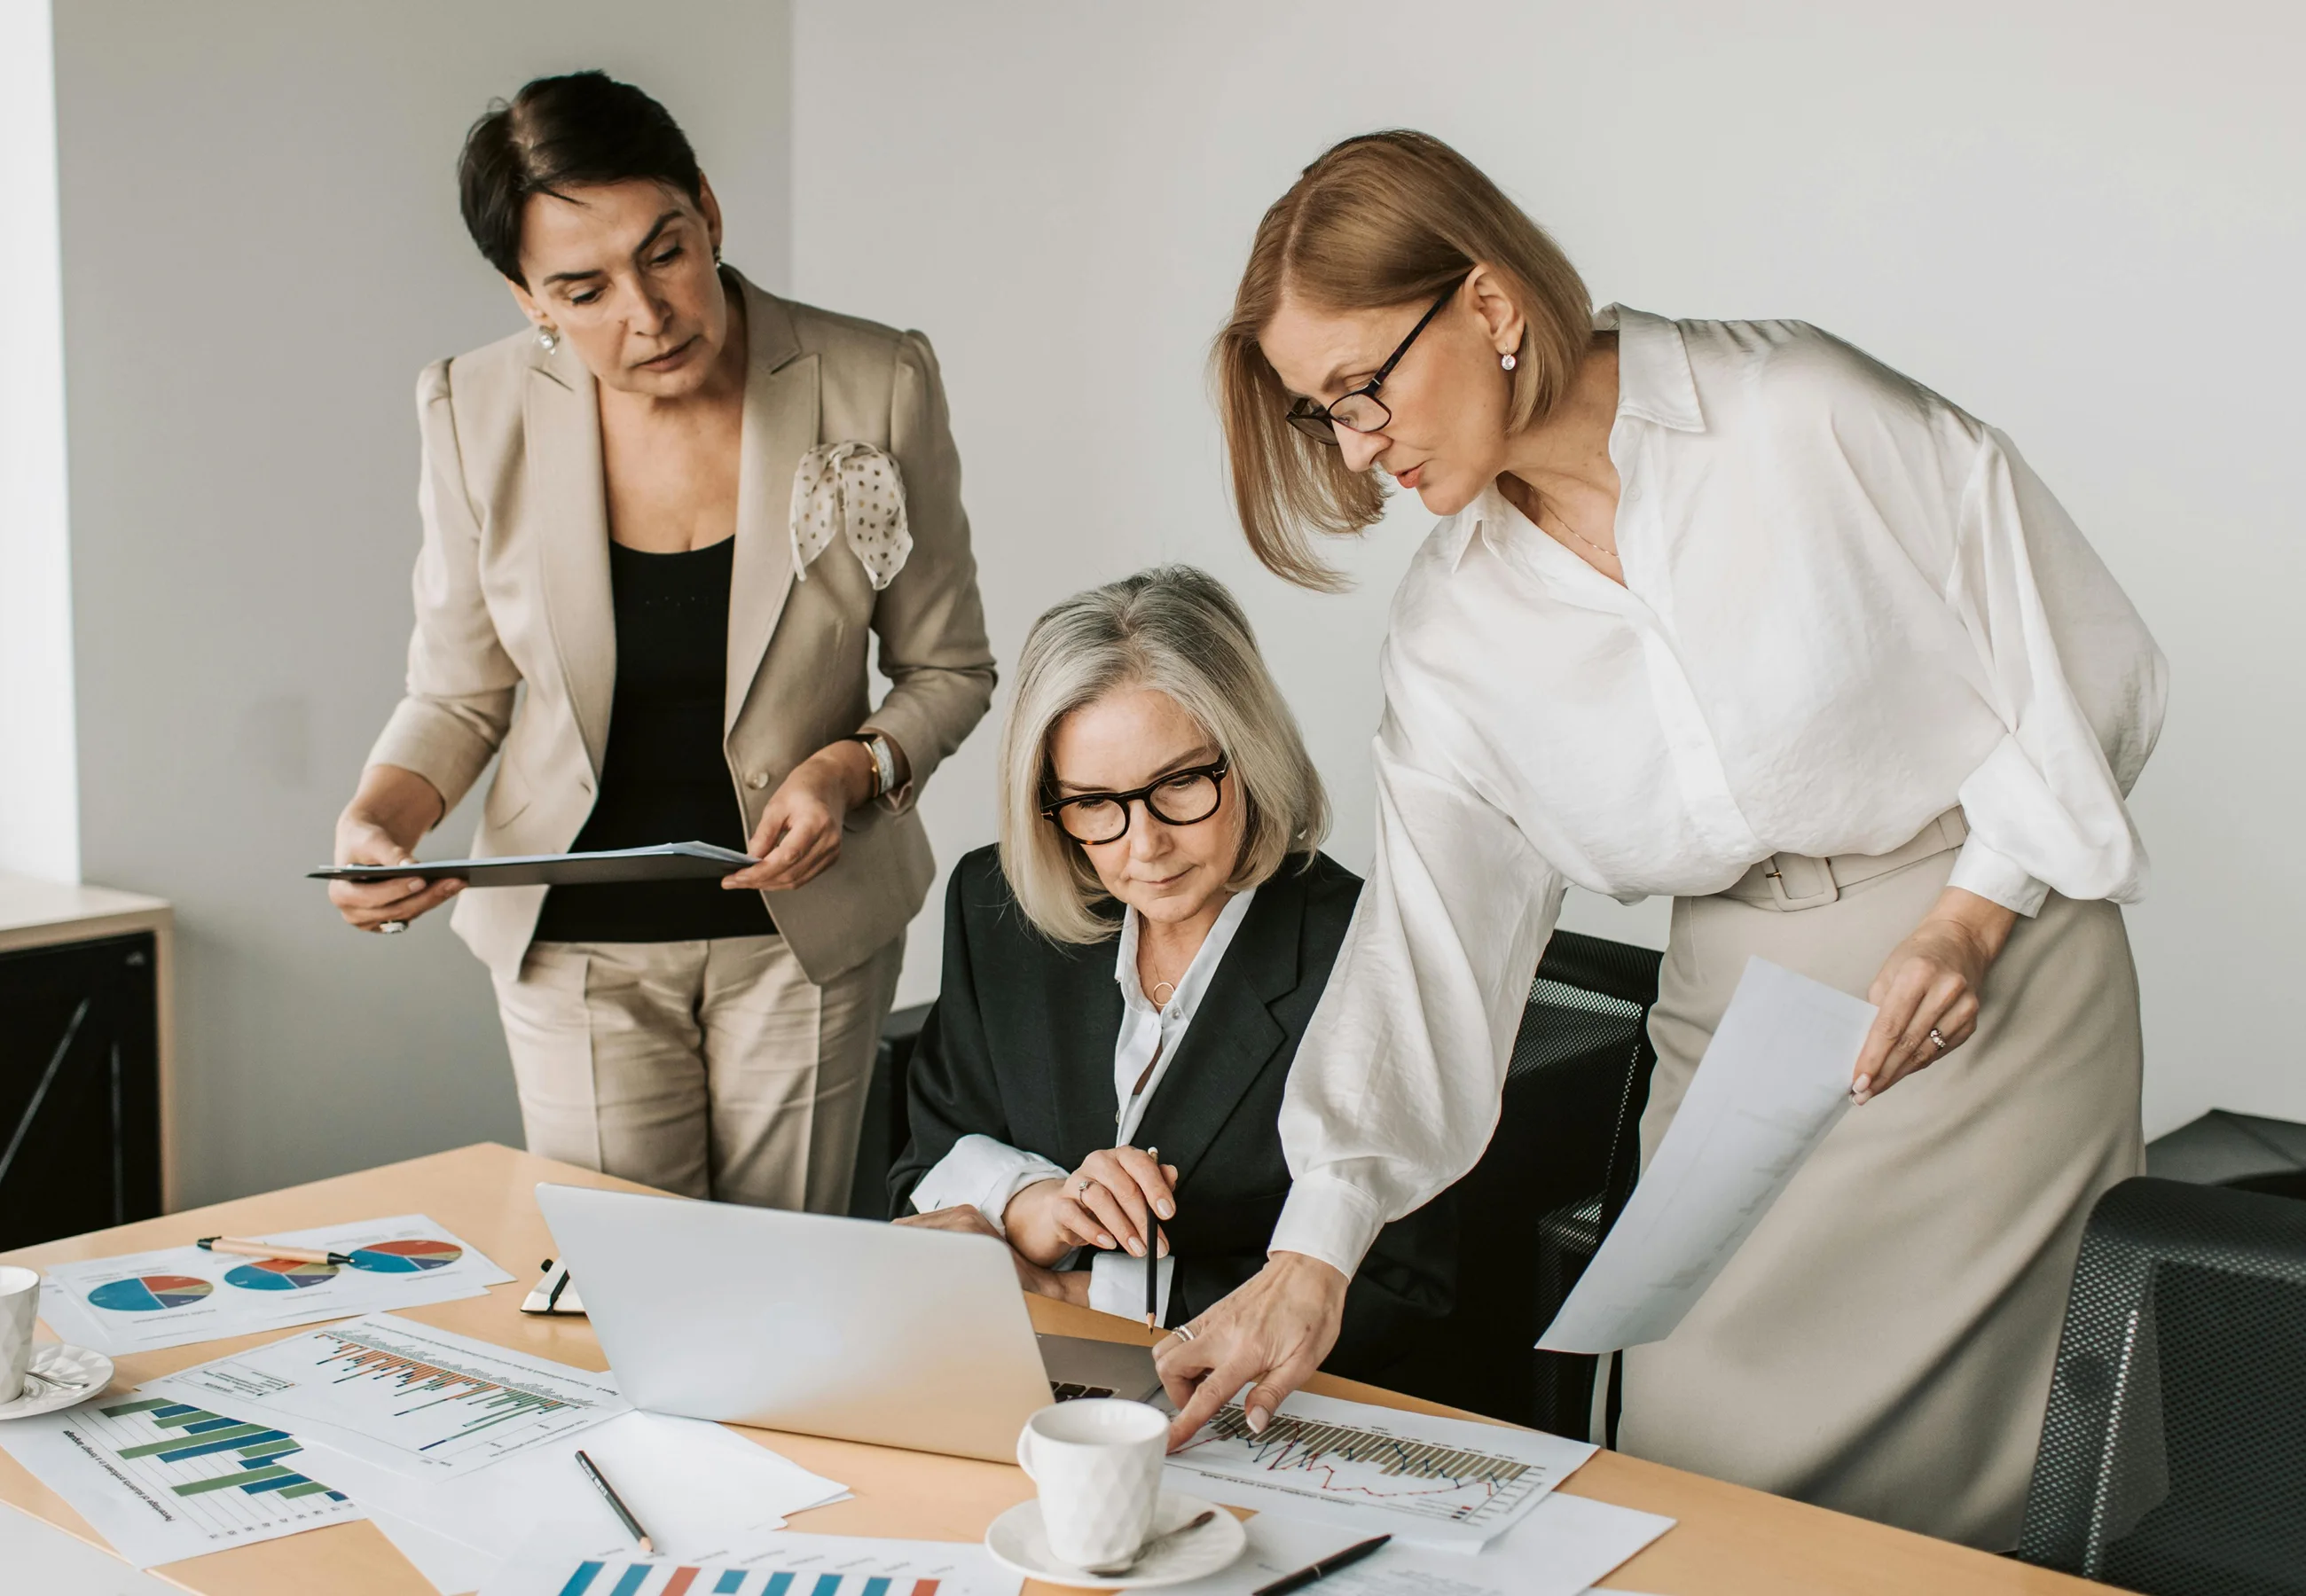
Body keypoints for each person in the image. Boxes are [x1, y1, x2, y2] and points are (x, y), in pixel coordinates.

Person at [1158, 130, 2165, 1550]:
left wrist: (1975, 910)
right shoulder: (1456, 632)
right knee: (1696, 1461)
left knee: (2007, 1493)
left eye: (1360, 392)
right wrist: (1312, 1255)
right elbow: (1430, 948)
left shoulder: (1798, 409)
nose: (1357, 449)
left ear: (1492, 308)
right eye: (1325, 416)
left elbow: (2086, 655)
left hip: (1994, 998)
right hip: (1746, 1025)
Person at [327, 72, 993, 1214]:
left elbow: (948, 669)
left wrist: (850, 768)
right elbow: (459, 689)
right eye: (582, 290)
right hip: (571, 948)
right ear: (526, 295)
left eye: (665, 253)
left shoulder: (876, 380)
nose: (648, 313)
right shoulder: (469, 407)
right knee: (623, 1299)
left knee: (789, 1289)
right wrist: (383, 817)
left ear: (708, 210)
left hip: (803, 932)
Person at [890, 567, 1451, 1375]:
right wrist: (1029, 1204)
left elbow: (1407, 1293)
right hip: (996, 1374)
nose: (1143, 845)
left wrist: (1086, 1300)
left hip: (1256, 1414)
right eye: (1093, 802)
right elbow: (921, 1170)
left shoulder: (1367, 951)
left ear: (1250, 754)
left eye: (1181, 783)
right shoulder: (995, 905)